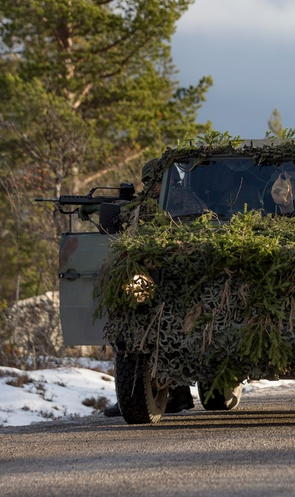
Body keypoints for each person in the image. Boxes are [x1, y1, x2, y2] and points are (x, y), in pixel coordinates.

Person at [104, 159, 195, 417]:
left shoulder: (179, 199)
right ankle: (145, 395)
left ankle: (170, 394)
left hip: (177, 273)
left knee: (157, 326)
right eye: (150, 182)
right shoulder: (150, 203)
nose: (152, 186)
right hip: (163, 274)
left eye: (154, 181)